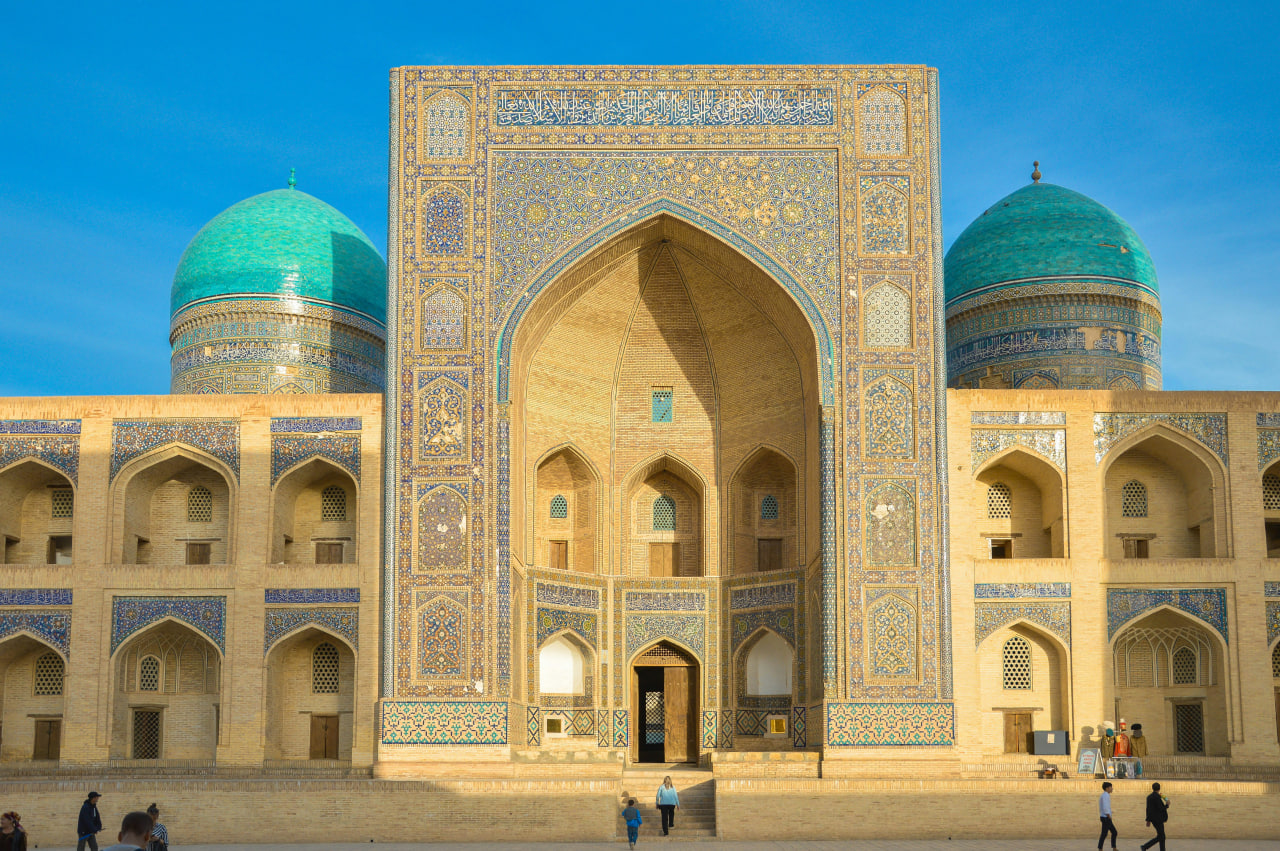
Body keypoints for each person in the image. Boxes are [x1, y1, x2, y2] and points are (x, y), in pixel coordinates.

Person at [1141, 782, 1170, 851]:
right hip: (1158, 819)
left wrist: (1148, 820)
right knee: (1161, 836)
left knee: (1161, 836)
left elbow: (1148, 809)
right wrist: (1167, 805)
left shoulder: (1149, 797)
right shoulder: (1157, 797)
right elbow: (1161, 808)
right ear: (1159, 789)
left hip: (1153, 820)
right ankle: (1145, 846)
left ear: (1152, 788)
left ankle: (1146, 847)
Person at [1096, 782, 1117, 851]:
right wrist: (1108, 815)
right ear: (1107, 788)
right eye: (1111, 787)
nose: (1112, 789)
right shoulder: (1105, 796)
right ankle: (1100, 848)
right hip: (1106, 817)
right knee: (1105, 833)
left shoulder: (1105, 795)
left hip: (1105, 817)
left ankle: (1113, 847)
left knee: (1113, 832)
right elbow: (1105, 807)